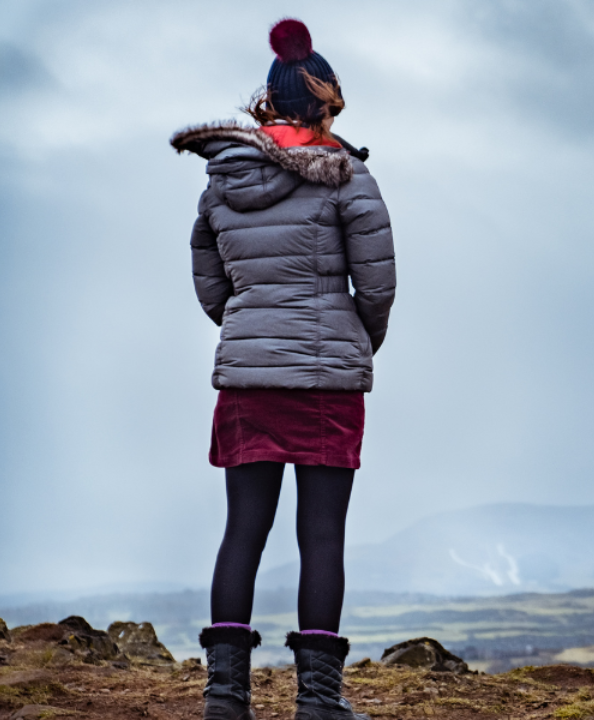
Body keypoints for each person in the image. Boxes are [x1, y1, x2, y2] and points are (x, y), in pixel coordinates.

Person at [170, 18, 394, 720]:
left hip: (246, 380)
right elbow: (378, 287)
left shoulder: (221, 182)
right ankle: (318, 704)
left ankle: (225, 700)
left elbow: (212, 289)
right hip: (327, 383)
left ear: (267, 105)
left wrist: (254, 332)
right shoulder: (349, 178)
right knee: (321, 535)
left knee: (243, 529)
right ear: (324, 106)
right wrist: (353, 343)